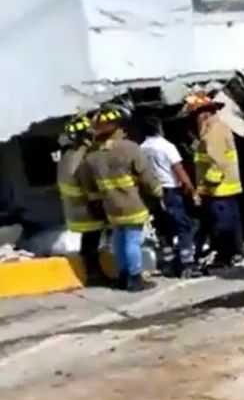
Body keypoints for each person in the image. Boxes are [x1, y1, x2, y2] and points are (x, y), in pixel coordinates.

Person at [77, 107, 164, 292]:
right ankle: (135, 277)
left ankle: (123, 276)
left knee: (119, 240)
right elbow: (147, 177)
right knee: (133, 241)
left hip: (111, 207)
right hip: (132, 204)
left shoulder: (91, 157)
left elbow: (88, 186)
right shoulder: (130, 148)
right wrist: (159, 193)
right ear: (117, 129)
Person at [183, 92, 244, 269]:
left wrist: (204, 187)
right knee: (231, 223)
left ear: (202, 114)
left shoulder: (212, 132)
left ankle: (225, 256)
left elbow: (218, 164)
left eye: (194, 116)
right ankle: (233, 253)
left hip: (219, 191)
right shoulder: (219, 127)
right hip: (226, 189)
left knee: (221, 225)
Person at [140, 116, 198, 277]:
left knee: (163, 228)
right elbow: (178, 169)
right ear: (159, 128)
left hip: (153, 191)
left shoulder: (142, 148)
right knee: (183, 227)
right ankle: (187, 264)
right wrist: (190, 188)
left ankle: (169, 263)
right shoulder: (167, 146)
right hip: (171, 190)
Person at [56, 113, 109, 286]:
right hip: (86, 207)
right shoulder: (81, 155)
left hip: (76, 207)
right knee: (91, 243)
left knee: (90, 242)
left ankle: (94, 273)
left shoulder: (67, 155)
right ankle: (95, 275)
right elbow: (88, 181)